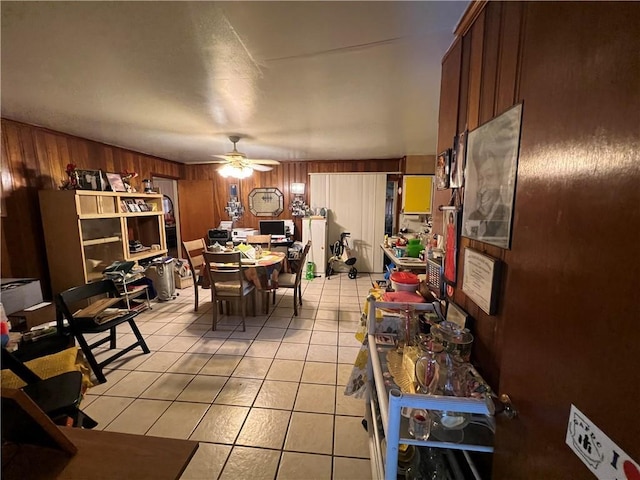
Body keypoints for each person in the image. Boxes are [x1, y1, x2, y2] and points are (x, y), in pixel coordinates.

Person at [444, 212, 457, 282]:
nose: (451, 219)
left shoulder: (453, 227)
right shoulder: (448, 226)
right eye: (450, 218)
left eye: (452, 218)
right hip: (450, 246)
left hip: (452, 246)